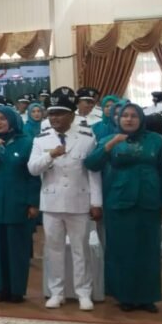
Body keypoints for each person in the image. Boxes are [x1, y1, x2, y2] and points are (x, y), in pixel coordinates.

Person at [86, 103, 162, 312]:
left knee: (149, 251)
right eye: (125, 115)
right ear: (118, 119)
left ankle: (147, 297)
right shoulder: (109, 139)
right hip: (118, 201)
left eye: (134, 115)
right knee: (121, 250)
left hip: (149, 201)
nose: (129, 119)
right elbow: (91, 164)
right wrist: (110, 145)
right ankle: (123, 295)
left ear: (141, 119)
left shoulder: (156, 141)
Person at [28, 87, 102, 311]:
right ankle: (56, 292)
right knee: (54, 250)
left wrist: (96, 202)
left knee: (81, 250)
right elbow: (32, 168)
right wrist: (50, 155)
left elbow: (93, 172)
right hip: (52, 202)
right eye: (51, 114)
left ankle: (83, 293)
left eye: (59, 113)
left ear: (71, 115)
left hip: (79, 201)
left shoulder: (87, 137)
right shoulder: (41, 139)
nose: (54, 118)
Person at [0, 107, 40, 303]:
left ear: (12, 121)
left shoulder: (27, 142)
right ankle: (1, 288)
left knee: (17, 249)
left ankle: (17, 290)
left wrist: (33, 202)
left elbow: (33, 176)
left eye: (3, 119)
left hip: (18, 202)